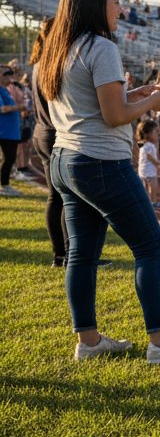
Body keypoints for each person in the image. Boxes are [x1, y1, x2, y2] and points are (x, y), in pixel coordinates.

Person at [40, 0, 160, 363]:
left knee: (81, 254)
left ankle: (88, 341)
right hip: (100, 161)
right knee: (151, 246)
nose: (122, 7)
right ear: (95, 4)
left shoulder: (59, 47)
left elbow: (92, 104)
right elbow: (115, 115)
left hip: (66, 159)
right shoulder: (101, 47)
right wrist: (150, 104)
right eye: (116, 0)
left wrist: (139, 92)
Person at [28, 21, 71, 265]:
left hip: (41, 133)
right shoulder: (52, 64)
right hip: (54, 134)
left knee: (56, 197)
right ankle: (67, 254)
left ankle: (61, 254)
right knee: (65, 197)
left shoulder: (38, 63)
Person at [0, 66, 21, 196]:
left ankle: (5, 185)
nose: (9, 77)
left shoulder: (6, 90)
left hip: (11, 132)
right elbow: (2, 109)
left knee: (10, 159)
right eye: (5, 75)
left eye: (9, 75)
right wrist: (20, 107)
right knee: (9, 158)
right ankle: (5, 186)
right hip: (4, 132)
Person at [136, 120, 160, 211]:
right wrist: (158, 164)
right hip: (149, 171)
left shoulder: (141, 143)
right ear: (148, 134)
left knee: (144, 187)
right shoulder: (149, 145)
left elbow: (139, 150)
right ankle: (153, 202)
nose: (158, 133)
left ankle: (145, 203)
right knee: (153, 186)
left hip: (142, 170)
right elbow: (150, 157)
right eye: (156, 131)